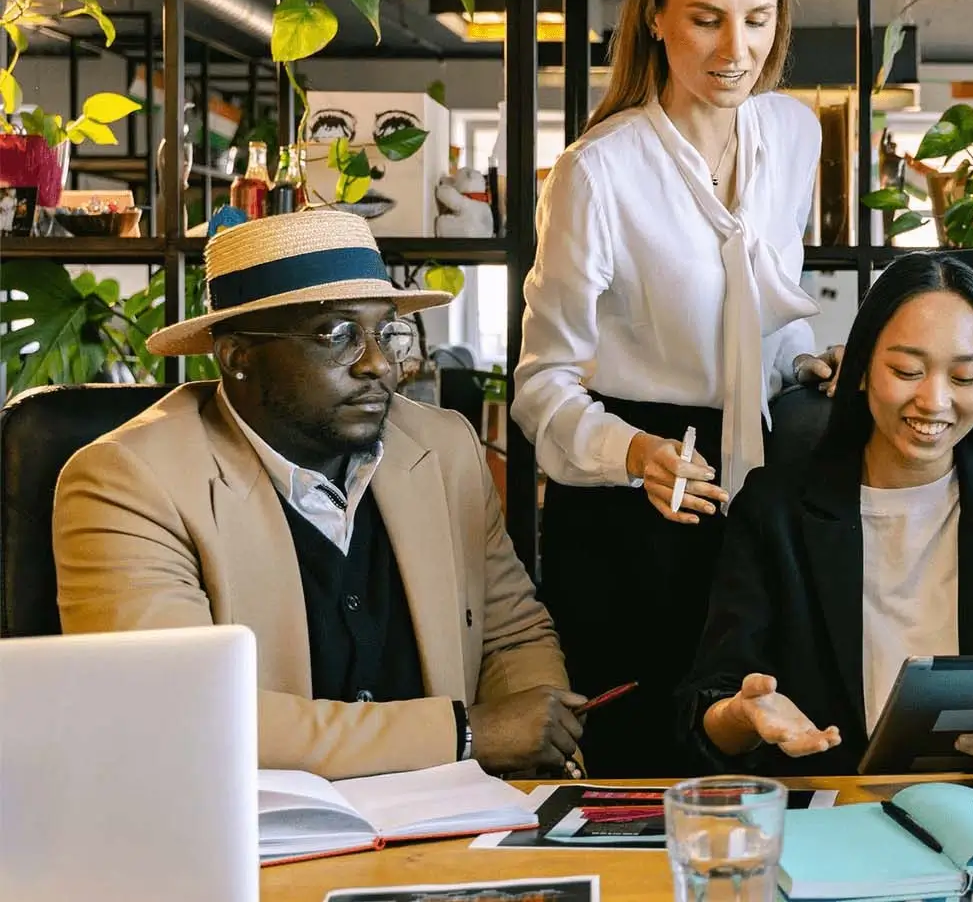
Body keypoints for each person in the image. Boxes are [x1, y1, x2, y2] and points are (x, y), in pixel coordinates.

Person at [53, 210, 583, 781]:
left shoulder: (444, 447)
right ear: (238, 357)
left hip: (457, 821)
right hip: (264, 842)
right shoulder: (128, 479)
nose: (380, 365)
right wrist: (467, 736)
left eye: (386, 333)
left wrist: (538, 754)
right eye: (338, 335)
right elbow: (179, 713)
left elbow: (511, 636)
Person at [513, 0, 837, 776]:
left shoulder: (796, 133)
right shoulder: (599, 172)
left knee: (762, 737)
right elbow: (539, 384)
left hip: (754, 492)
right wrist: (633, 453)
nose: (738, 51)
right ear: (654, 15)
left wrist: (804, 362)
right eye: (706, 20)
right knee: (640, 764)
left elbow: (759, 316)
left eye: (759, 19)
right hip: (631, 505)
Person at [678, 253, 973, 794]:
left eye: (964, 376)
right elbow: (709, 707)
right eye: (907, 371)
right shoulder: (775, 508)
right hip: (836, 813)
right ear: (863, 369)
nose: (934, 401)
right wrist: (744, 716)